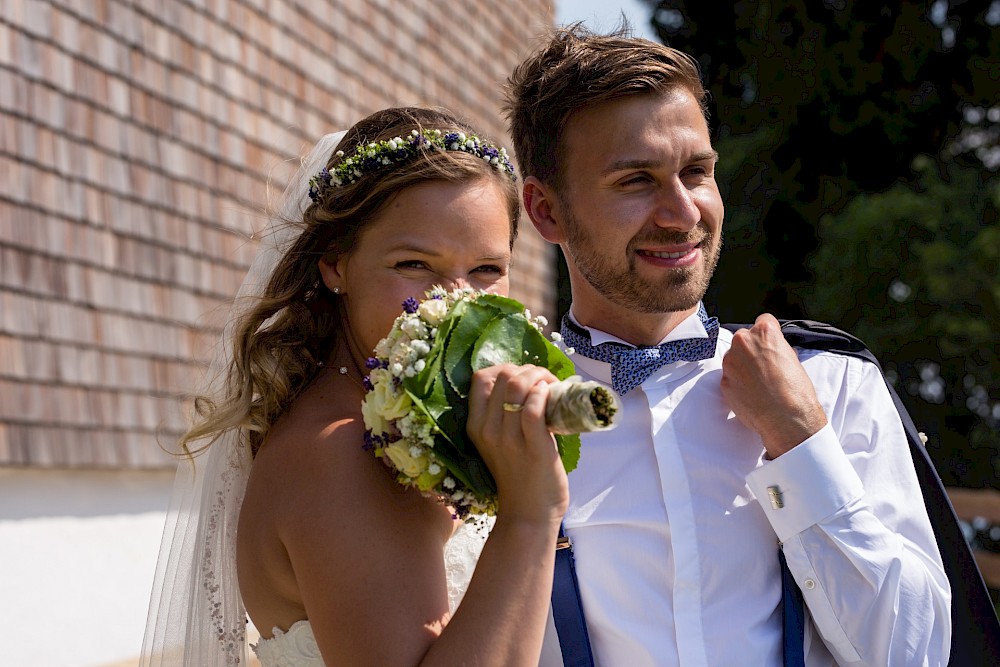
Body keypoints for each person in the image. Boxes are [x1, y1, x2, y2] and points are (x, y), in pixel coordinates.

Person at [504, 26, 952, 665]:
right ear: (545, 212)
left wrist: (801, 442)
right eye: (636, 180)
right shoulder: (506, 415)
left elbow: (917, 654)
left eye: (696, 172)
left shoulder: (834, 382)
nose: (682, 213)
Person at [141, 107, 569, 666]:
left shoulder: (391, 422)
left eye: (488, 269)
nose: (457, 298)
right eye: (415, 263)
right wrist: (532, 513)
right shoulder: (339, 452)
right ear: (335, 265)